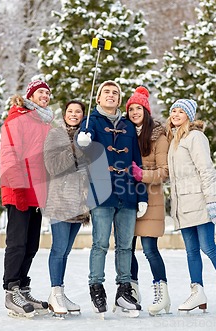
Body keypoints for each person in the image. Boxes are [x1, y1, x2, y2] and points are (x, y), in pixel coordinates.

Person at [76, 80, 148, 315]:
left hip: (127, 193)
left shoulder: (127, 125)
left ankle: (124, 291)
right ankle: (96, 287)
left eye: (115, 93)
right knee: (100, 244)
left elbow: (137, 162)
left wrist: (142, 195)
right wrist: (82, 140)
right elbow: (83, 149)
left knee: (126, 246)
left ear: (119, 99)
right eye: (106, 92)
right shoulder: (91, 122)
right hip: (102, 192)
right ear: (98, 98)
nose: (111, 95)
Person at [166, 99, 216, 316]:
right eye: (173, 111)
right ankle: (197, 291)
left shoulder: (195, 137)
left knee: (208, 247)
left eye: (181, 111)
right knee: (191, 251)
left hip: (199, 200)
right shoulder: (175, 140)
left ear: (189, 115)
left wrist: (211, 199)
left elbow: (206, 170)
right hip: (183, 204)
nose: (176, 114)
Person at [0, 80, 54, 318]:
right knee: (17, 243)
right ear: (31, 94)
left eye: (48, 93)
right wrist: (18, 188)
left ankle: (23, 287)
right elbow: (9, 153)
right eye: (41, 92)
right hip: (19, 191)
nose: (45, 96)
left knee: (31, 245)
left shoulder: (45, 122)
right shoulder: (18, 117)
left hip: (37, 194)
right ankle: (11, 290)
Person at [126, 86, 171, 316]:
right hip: (127, 198)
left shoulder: (158, 136)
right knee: (128, 248)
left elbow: (164, 172)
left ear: (146, 110)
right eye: (131, 108)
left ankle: (161, 292)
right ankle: (131, 291)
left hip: (151, 201)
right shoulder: (124, 133)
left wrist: (141, 174)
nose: (135, 112)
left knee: (150, 249)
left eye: (138, 108)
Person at [43, 100, 90, 316]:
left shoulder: (87, 135)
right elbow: (52, 167)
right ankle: (55, 293)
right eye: (70, 111)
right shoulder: (55, 135)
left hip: (80, 203)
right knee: (59, 249)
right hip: (60, 200)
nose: (74, 114)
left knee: (67, 251)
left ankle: (60, 291)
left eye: (78, 112)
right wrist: (74, 147)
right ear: (64, 115)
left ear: (83, 115)